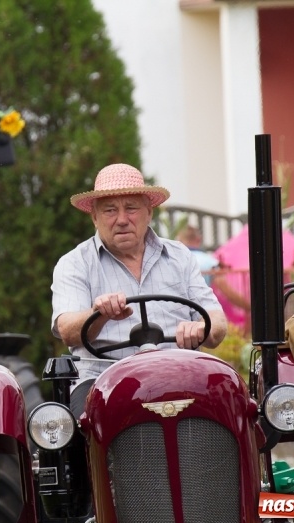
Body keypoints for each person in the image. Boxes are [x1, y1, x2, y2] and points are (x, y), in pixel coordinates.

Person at [51, 163, 228, 406]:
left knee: (232, 407)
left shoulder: (180, 256)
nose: (122, 220)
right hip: (103, 381)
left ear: (149, 212)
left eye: (131, 208)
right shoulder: (74, 263)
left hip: (180, 376)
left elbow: (217, 322)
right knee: (75, 429)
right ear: (94, 217)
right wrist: (98, 314)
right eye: (110, 210)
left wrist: (201, 328)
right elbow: (68, 331)